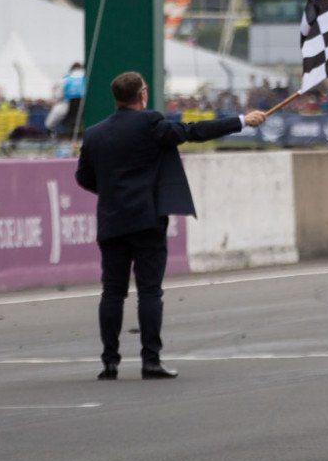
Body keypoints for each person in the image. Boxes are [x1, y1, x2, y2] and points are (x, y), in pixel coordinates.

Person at [75, 72, 267, 380]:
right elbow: (194, 131)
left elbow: (83, 177)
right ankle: (150, 361)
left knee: (112, 292)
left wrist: (112, 192)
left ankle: (109, 362)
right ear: (143, 94)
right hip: (147, 220)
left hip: (111, 221)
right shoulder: (150, 123)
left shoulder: (95, 133)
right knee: (149, 291)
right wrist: (241, 121)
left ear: (116, 97)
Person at [61, 62, 86, 136]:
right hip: (82, 105)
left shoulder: (66, 78)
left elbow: (60, 93)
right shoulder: (85, 77)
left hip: (69, 105)